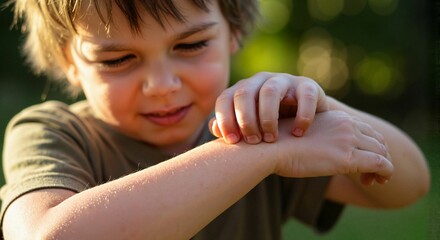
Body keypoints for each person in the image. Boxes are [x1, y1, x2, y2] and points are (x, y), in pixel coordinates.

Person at [0, 0, 430, 239]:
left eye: (190, 46)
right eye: (118, 59)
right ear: (68, 61)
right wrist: (259, 154)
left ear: (234, 32)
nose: (162, 84)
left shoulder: (264, 122)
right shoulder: (53, 132)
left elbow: (409, 185)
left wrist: (323, 107)